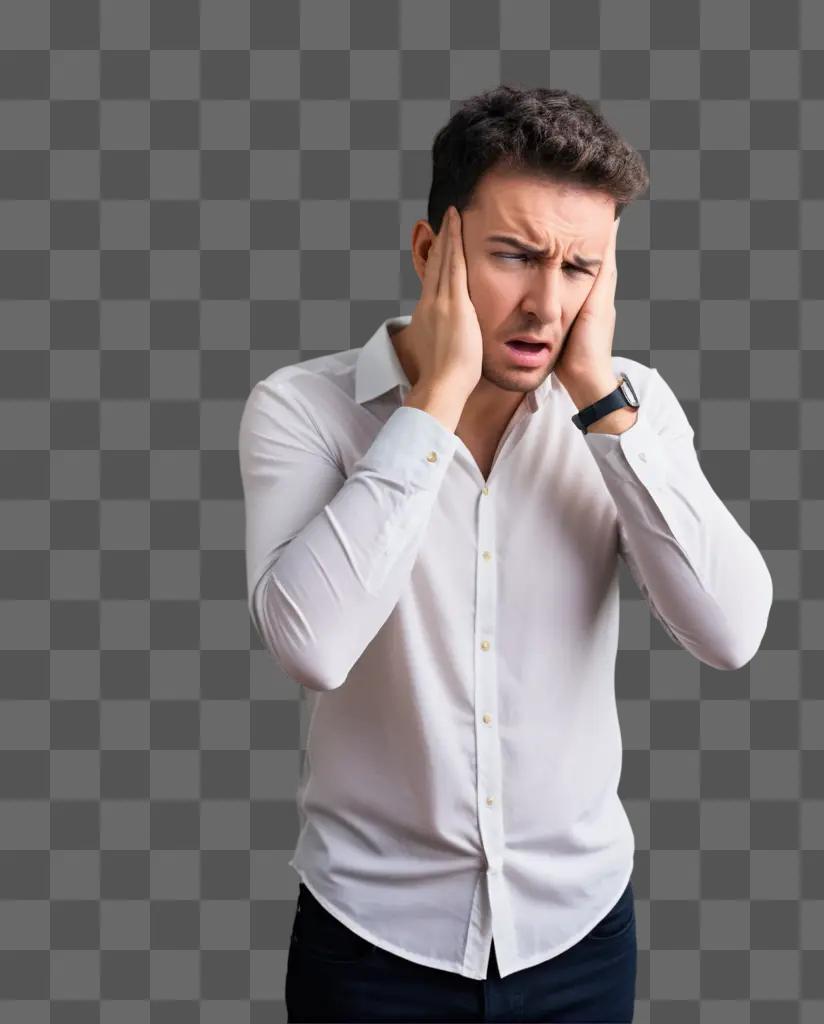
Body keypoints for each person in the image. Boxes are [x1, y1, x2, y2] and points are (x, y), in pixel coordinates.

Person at [238, 84, 773, 1023]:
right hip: (371, 938)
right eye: (516, 256)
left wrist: (604, 405)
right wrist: (434, 402)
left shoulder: (629, 407)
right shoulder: (301, 409)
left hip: (576, 934)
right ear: (429, 250)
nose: (545, 304)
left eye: (580, 269)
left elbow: (730, 633)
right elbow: (311, 648)